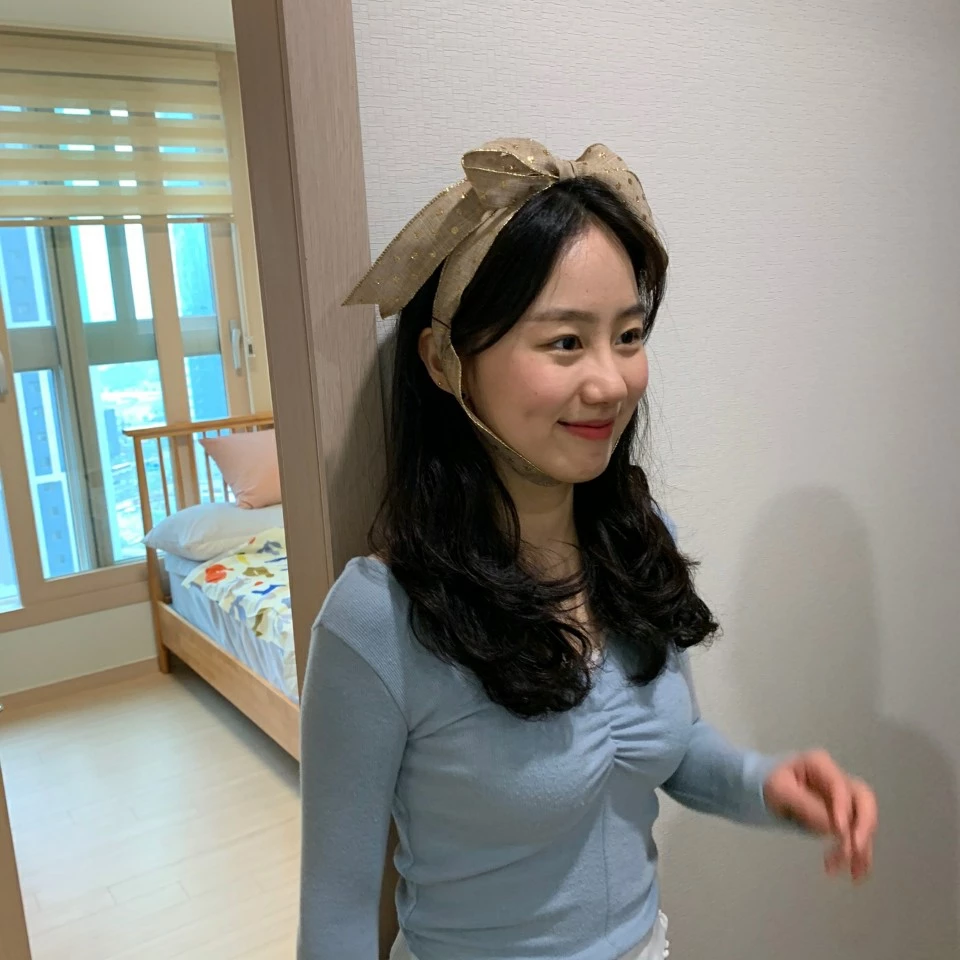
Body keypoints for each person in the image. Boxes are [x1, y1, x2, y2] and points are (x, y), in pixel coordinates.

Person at [297, 139, 878, 960]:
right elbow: (337, 916)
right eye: (566, 342)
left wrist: (765, 785)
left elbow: (666, 746)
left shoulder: (637, 541)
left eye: (629, 335)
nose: (611, 382)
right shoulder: (378, 619)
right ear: (444, 361)